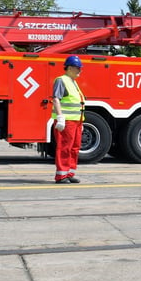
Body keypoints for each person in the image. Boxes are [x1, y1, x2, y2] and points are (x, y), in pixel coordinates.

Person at [52, 55, 85, 184]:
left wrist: (81, 121)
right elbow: (56, 99)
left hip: (76, 121)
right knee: (64, 147)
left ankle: (69, 173)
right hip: (67, 121)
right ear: (70, 68)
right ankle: (61, 176)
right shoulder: (61, 80)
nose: (80, 71)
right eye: (78, 68)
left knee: (74, 148)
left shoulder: (73, 82)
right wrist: (60, 118)